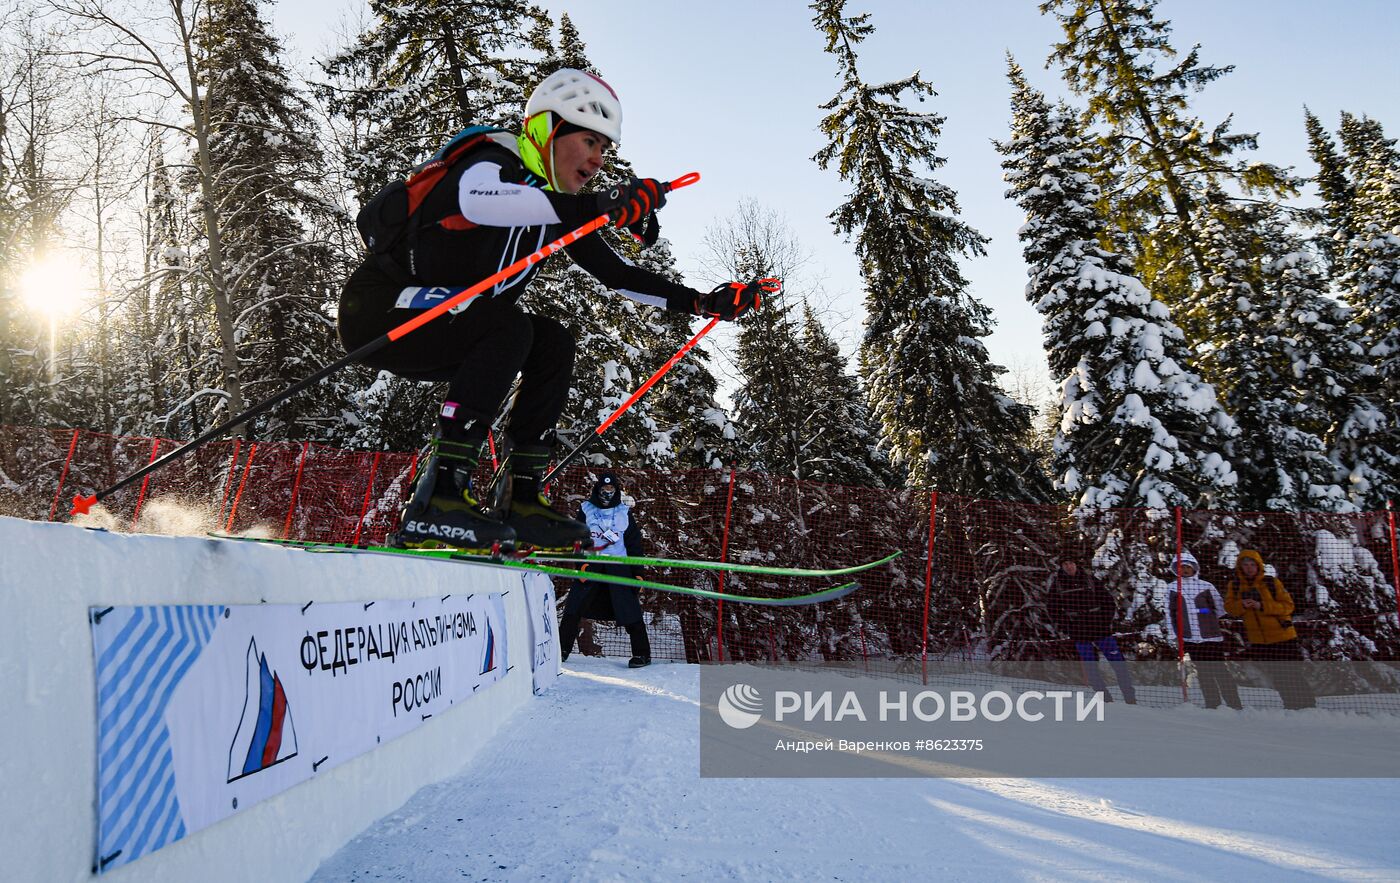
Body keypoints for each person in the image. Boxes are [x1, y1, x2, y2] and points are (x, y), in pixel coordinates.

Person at [337, 68, 763, 551]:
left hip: (445, 326)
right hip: (377, 312)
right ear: (549, 129)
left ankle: (520, 497)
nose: (599, 160)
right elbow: (477, 201)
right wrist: (602, 206)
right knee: (511, 326)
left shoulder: (549, 208)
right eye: (589, 141)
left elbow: (619, 275)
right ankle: (440, 494)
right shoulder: (494, 157)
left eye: (605, 149)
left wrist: (703, 302)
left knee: (552, 342)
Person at [559, 472, 651, 668]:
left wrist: (638, 573)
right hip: (591, 565)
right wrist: (580, 565)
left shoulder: (624, 512)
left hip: (618, 567)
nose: (607, 493)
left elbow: (634, 544)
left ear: (616, 490)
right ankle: (561, 649)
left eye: (611, 489)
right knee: (574, 607)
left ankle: (642, 654)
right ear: (597, 490)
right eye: (603, 489)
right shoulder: (586, 509)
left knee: (630, 609)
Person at [1224, 549, 1315, 709]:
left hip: (1284, 638)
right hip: (1260, 641)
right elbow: (1230, 608)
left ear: (1259, 566)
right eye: (1245, 565)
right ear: (1240, 567)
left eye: (1252, 564)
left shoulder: (1271, 583)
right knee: (1278, 676)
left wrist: (1262, 606)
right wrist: (1242, 605)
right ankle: (1290, 706)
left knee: (1293, 674)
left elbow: (1288, 606)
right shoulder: (1235, 585)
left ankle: (1308, 706)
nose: (1249, 568)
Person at [1046, 554, 1136, 704]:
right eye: (1065, 564)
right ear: (1061, 566)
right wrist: (1067, 627)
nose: (1069, 566)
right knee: (1091, 670)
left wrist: (1105, 621)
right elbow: (1053, 610)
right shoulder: (1058, 585)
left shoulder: (1089, 579)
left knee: (1119, 665)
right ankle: (1105, 700)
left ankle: (1130, 698)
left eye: (1071, 563)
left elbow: (1108, 601)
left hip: (1101, 630)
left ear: (1076, 564)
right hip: (1080, 634)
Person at [1165, 551, 1242, 710]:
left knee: (1220, 671)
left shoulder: (1206, 586)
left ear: (1194, 568)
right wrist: (1174, 634)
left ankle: (1234, 704)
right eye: (1181, 567)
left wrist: (1202, 612)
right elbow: (1169, 612)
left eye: (1188, 567)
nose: (1185, 570)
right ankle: (1212, 704)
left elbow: (1219, 609)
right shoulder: (1172, 588)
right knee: (1204, 672)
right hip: (1191, 639)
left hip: (1211, 637)